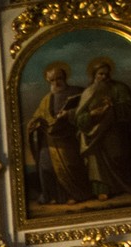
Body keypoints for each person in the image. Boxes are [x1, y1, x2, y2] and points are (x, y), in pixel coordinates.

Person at [74, 58, 131, 199]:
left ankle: (125, 186)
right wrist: (92, 114)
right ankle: (103, 190)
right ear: (94, 75)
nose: (104, 77)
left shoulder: (120, 88)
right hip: (94, 134)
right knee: (96, 163)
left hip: (116, 131)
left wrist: (112, 108)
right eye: (100, 74)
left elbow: (130, 108)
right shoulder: (88, 92)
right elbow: (79, 118)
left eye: (107, 74)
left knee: (119, 157)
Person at [27, 62, 93, 205]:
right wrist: (33, 123)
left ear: (65, 77)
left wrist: (69, 114)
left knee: (70, 166)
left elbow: (87, 113)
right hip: (49, 139)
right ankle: (53, 196)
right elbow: (38, 115)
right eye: (52, 80)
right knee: (46, 167)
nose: (56, 83)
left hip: (68, 138)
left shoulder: (77, 92)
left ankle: (74, 194)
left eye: (59, 79)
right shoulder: (46, 99)